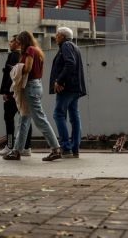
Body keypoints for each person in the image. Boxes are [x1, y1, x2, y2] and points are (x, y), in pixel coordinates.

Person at [3, 31, 62, 161]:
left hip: (30, 87)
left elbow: (28, 68)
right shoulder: (37, 50)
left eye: (19, 42)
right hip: (35, 86)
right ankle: (16, 151)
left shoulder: (29, 50)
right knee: (23, 120)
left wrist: (16, 69)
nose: (18, 44)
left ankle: (56, 149)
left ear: (24, 41)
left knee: (39, 119)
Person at [49, 26, 86, 158]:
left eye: (57, 34)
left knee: (58, 114)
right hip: (75, 87)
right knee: (74, 117)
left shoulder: (65, 46)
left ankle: (66, 147)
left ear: (63, 36)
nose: (55, 37)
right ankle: (75, 148)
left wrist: (59, 81)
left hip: (67, 87)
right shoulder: (74, 47)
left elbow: (70, 64)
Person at [0, 36, 32, 156]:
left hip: (12, 93)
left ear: (17, 43)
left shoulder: (13, 55)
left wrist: (6, 92)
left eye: (12, 41)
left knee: (9, 118)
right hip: (21, 91)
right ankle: (27, 147)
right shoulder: (24, 55)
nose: (9, 43)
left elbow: (11, 76)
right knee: (25, 118)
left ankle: (10, 145)